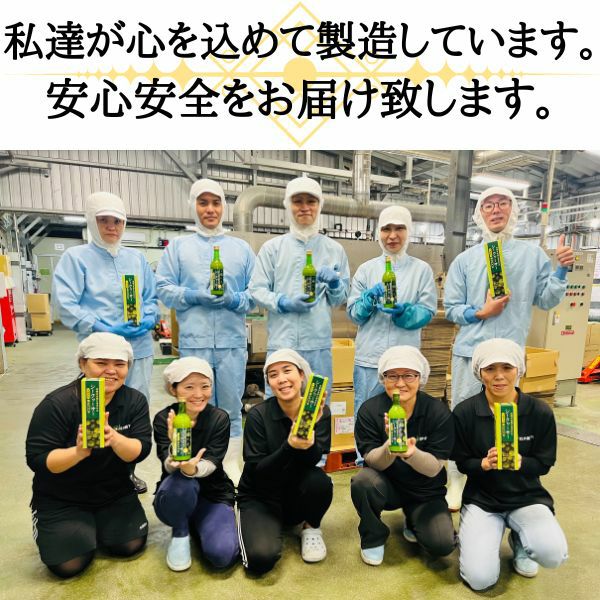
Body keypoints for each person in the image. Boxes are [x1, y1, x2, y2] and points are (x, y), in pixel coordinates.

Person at [444, 186, 574, 510]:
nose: (496, 210)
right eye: (488, 205)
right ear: (480, 214)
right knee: (463, 417)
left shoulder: (532, 256)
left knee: (505, 415)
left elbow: (546, 298)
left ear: (513, 211)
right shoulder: (465, 260)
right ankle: (456, 479)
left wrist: (560, 270)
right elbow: (451, 308)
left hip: (509, 356)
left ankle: (503, 477)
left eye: (503, 203)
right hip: (470, 353)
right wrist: (481, 312)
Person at [52, 192, 158, 493]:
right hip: (99, 352)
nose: (112, 227)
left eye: (118, 221)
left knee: (134, 410)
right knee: (96, 411)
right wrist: (99, 326)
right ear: (91, 221)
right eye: (104, 220)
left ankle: (127, 473)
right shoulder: (76, 258)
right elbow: (65, 303)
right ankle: (96, 473)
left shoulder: (136, 259)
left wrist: (149, 317)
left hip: (137, 349)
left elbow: (150, 298)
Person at [25, 333, 152, 578]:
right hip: (62, 498)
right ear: (82, 364)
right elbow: (38, 459)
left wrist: (114, 438)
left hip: (114, 492)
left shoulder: (134, 401)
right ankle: (71, 527)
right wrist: (78, 452)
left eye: (119, 364)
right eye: (101, 363)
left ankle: (98, 525)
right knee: (69, 565)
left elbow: (141, 449)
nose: (111, 371)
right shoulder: (57, 404)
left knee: (129, 546)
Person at [156, 179, 255, 485]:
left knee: (231, 408)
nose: (210, 209)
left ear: (223, 206)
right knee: (195, 408)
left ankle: (230, 465)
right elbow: (163, 288)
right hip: (194, 343)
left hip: (231, 342)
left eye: (215, 203)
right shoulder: (179, 248)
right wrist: (192, 295)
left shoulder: (241, 249)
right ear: (193, 206)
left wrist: (234, 299)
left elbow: (256, 293)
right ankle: (197, 464)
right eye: (203, 202)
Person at [452, 338, 568, 591]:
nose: (499, 376)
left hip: (526, 496)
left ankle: (520, 541)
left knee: (552, 554)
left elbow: (544, 463)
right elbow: (461, 462)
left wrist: (521, 462)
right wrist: (482, 464)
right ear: (479, 372)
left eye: (507, 367)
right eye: (490, 369)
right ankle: (481, 535)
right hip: (483, 500)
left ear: (519, 370)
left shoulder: (538, 412)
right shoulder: (465, 412)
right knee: (480, 579)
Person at [351, 346, 456, 566]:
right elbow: (372, 460)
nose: (400, 383)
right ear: (383, 379)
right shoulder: (370, 410)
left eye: (408, 375)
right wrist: (391, 447)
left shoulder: (437, 412)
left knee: (442, 544)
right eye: (392, 376)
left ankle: (414, 517)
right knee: (363, 481)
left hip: (425, 491)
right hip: (386, 486)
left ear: (420, 378)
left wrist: (411, 453)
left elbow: (434, 469)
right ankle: (373, 536)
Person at [249, 176, 350, 393]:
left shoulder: (334, 250)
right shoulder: (272, 249)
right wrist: (282, 302)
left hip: (318, 346)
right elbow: (256, 289)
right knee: (279, 407)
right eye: (297, 201)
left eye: (311, 201)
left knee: (316, 404)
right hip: (282, 346)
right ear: (288, 205)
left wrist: (335, 284)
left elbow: (340, 300)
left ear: (319, 206)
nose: (305, 207)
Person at [237, 349, 332, 574]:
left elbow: (313, 460)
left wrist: (307, 438)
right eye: (273, 375)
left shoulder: (318, 411)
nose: (281, 379)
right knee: (260, 560)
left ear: (301, 375)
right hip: (260, 496)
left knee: (319, 482)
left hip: (294, 491)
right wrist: (289, 446)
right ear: (269, 382)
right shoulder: (258, 416)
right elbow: (259, 473)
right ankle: (261, 524)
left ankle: (311, 527)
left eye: (287, 371)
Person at [347, 205, 437, 435]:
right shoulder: (366, 270)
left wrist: (404, 313)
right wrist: (367, 301)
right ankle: (365, 456)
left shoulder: (421, 270)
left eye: (399, 228)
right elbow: (354, 313)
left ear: (409, 231)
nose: (392, 235)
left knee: (404, 416)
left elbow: (427, 311)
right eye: (386, 229)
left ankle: (402, 455)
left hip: (404, 362)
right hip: (369, 359)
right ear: (379, 232)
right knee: (366, 416)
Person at [153, 357, 239, 572]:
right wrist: (175, 450)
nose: (198, 394)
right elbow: (167, 466)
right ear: (173, 389)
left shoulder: (219, 418)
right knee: (183, 482)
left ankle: (198, 520)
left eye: (205, 386)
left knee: (222, 554)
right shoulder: (164, 418)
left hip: (213, 493)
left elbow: (213, 462)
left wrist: (193, 468)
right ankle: (180, 532)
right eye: (189, 387)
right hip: (176, 493)